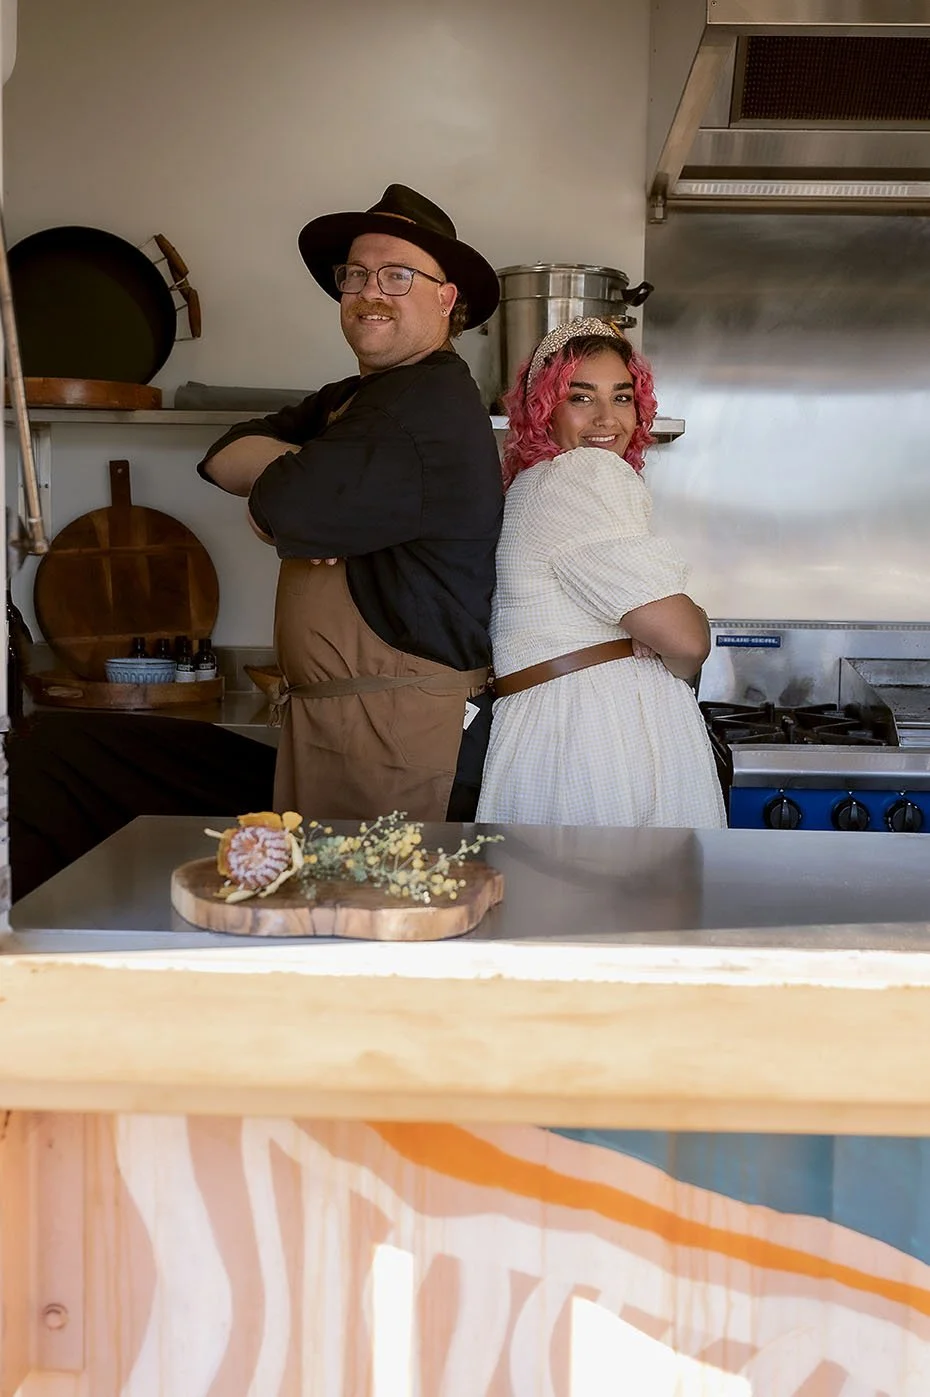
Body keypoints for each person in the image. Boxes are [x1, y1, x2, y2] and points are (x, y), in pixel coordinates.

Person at [198, 185, 503, 822]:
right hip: (351, 722)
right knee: (331, 908)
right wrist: (297, 474)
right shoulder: (360, 397)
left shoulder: (423, 407)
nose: (371, 292)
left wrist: (289, 484)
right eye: (356, 275)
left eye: (398, 275)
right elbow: (223, 457)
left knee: (376, 913)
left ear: (446, 299)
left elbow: (276, 510)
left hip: (400, 731)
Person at [476, 317, 726, 828]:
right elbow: (687, 640)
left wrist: (654, 623)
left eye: (623, 397)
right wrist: (675, 631)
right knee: (633, 897)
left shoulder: (529, 485)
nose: (606, 419)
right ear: (545, 409)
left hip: (547, 728)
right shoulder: (587, 474)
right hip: (602, 735)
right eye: (581, 397)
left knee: (556, 899)